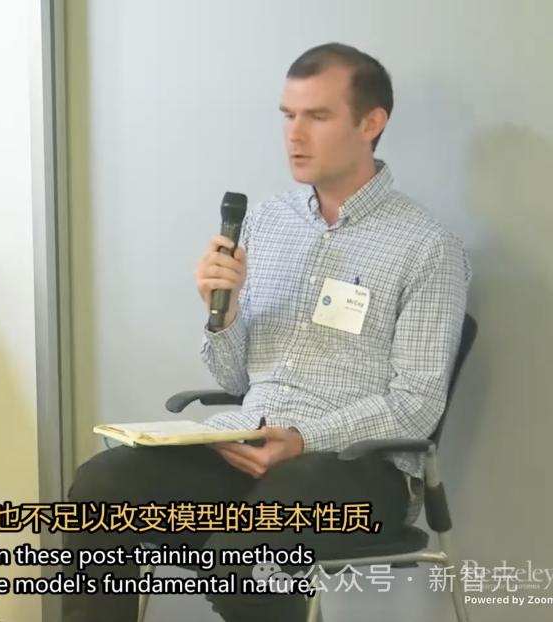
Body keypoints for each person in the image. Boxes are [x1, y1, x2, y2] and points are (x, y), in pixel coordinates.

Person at [62, 42, 470, 622]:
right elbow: (235, 379)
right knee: (105, 485)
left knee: (243, 556)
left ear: (371, 123)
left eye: (317, 116)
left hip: (355, 470)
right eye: (288, 115)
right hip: (249, 446)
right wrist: (223, 314)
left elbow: (416, 405)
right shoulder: (266, 222)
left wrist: (302, 438)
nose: (294, 134)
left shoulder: (427, 247)